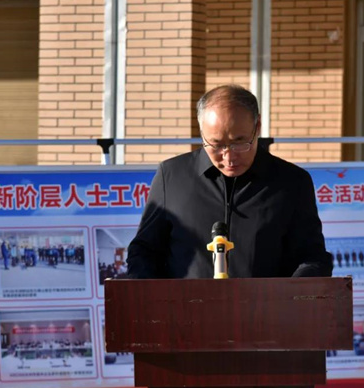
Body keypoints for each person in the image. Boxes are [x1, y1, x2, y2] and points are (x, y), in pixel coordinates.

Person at [126, 84, 333, 279]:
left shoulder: (292, 182)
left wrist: (290, 294)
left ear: (258, 126)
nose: (229, 157)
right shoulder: (171, 176)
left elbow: (312, 257)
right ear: (202, 133)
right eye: (216, 145)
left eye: (239, 143)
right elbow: (144, 252)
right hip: (186, 305)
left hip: (267, 305)